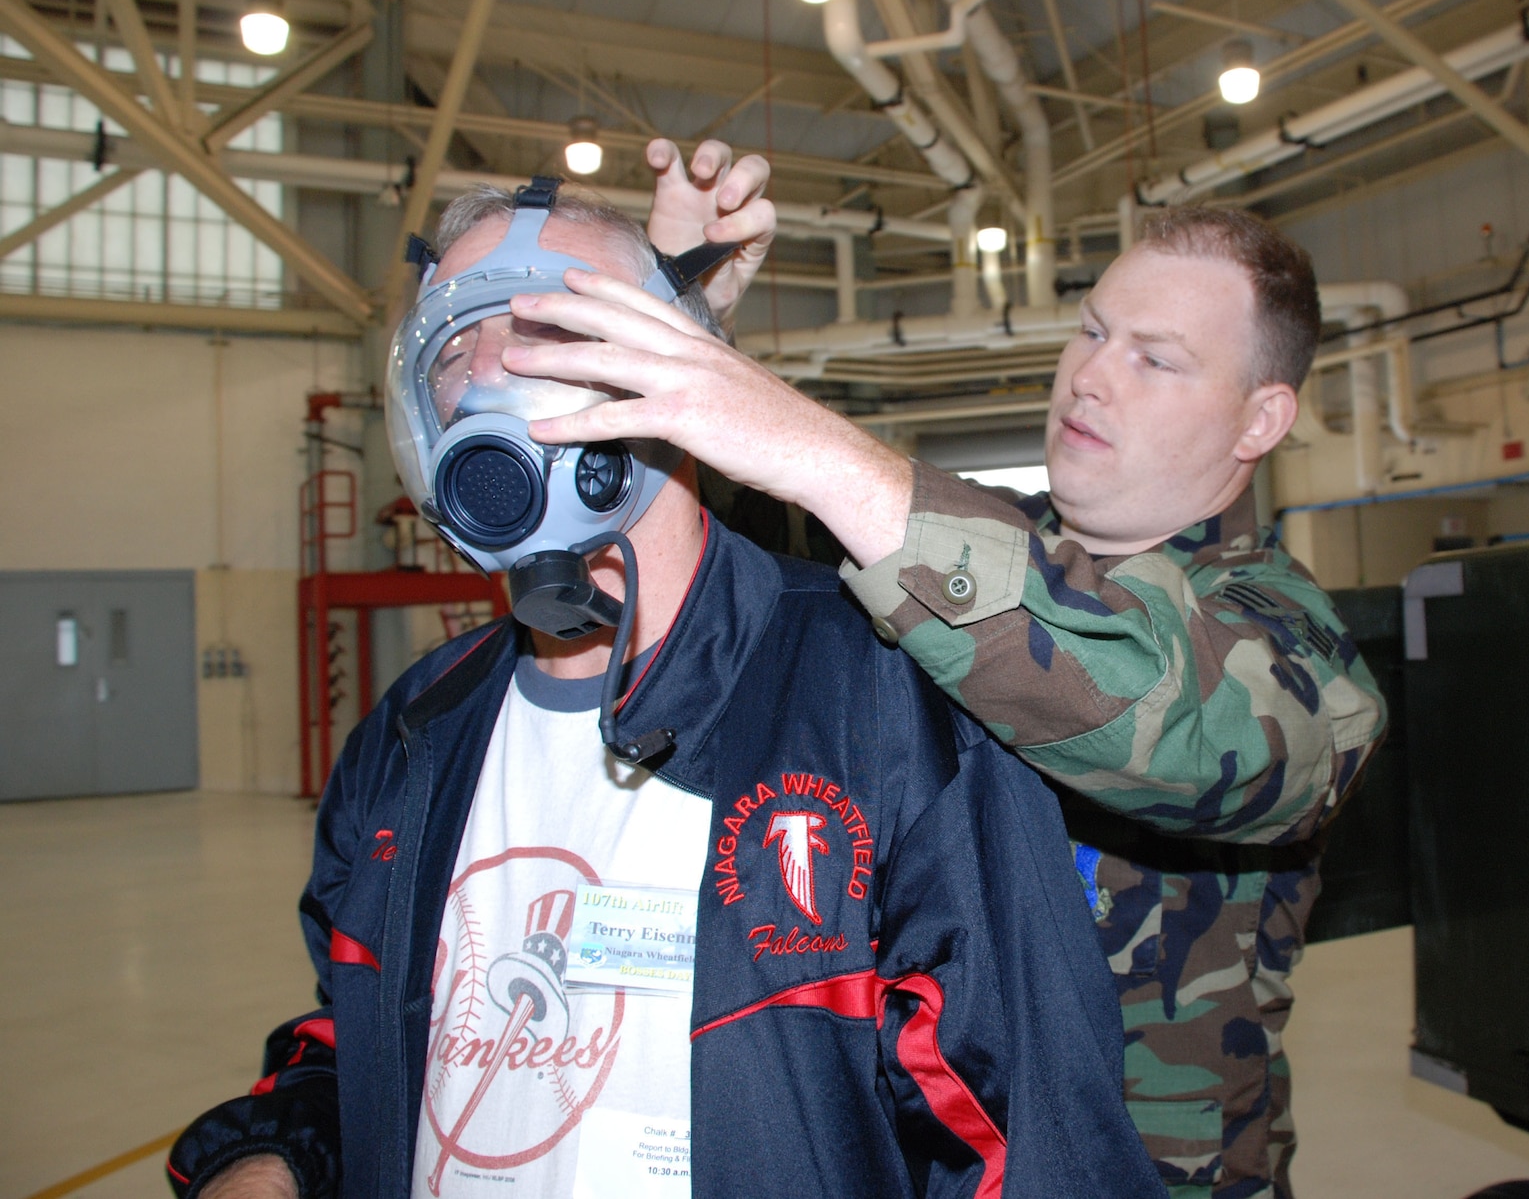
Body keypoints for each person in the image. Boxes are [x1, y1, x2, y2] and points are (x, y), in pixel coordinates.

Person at [166, 177, 1162, 1199]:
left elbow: (1029, 1135)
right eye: (457, 351)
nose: (499, 369)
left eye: (558, 329)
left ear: (682, 375)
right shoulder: (411, 731)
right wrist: (269, 1161)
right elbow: (355, 1039)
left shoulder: (882, 701)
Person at [500, 199, 1388, 1198]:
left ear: (1260, 418)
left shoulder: (1291, 649)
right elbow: (746, 563)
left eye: (1155, 359)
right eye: (1091, 330)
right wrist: (687, 313)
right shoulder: (975, 539)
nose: (1089, 375)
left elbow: (1152, 702)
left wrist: (820, 449)